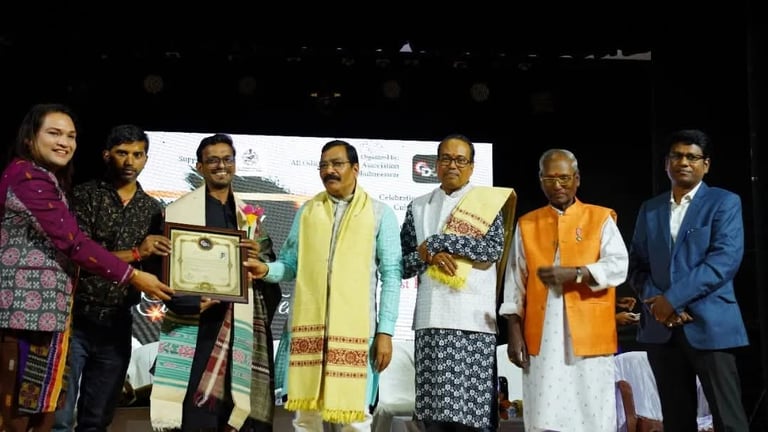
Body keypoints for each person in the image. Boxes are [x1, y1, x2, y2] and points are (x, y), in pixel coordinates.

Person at [0, 103, 174, 432]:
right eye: (54, 133)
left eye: (71, 136)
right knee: (33, 416)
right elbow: (75, 245)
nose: (64, 142)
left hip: (79, 318)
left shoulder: (153, 208)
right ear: (29, 137)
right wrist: (135, 268)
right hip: (40, 315)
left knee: (52, 412)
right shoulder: (40, 181)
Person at [246, 139, 402, 431]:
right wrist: (264, 269)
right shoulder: (307, 212)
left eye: (337, 164)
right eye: (324, 165)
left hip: (358, 336)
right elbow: (290, 265)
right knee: (307, 420)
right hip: (309, 334)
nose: (329, 170)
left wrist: (385, 331)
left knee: (355, 421)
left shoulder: (380, 213)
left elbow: (392, 275)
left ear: (355, 168)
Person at [149, 133, 282, 432]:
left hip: (242, 329)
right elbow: (158, 272)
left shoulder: (249, 217)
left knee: (237, 417)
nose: (221, 165)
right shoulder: (175, 213)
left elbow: (269, 272)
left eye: (227, 159)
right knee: (197, 417)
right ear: (199, 166)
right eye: (212, 160)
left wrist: (259, 261)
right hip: (198, 326)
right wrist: (188, 302)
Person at [628, 129, 749, 431]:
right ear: (666, 163)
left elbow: (723, 261)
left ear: (705, 165)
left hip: (710, 324)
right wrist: (657, 304)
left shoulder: (724, 202)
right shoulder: (650, 209)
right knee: (676, 419)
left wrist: (672, 300)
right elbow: (637, 265)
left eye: (692, 157)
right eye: (677, 156)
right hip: (661, 329)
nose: (684, 162)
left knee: (729, 420)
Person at [499, 148, 629, 432]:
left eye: (564, 178)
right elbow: (515, 280)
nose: (557, 185)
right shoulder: (528, 224)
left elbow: (619, 266)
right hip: (543, 336)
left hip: (589, 332)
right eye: (549, 179)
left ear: (577, 179)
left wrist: (577, 273)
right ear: (540, 180)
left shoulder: (600, 218)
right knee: (545, 413)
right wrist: (513, 330)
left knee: (593, 415)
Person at [52, 124, 170, 432]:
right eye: (122, 153)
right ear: (107, 155)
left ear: (146, 158)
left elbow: (156, 268)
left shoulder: (152, 210)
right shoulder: (83, 196)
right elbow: (79, 255)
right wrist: (137, 252)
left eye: (138, 154)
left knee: (97, 421)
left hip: (117, 323)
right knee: (58, 419)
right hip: (75, 318)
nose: (130, 161)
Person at [399, 134, 514, 431]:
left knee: (472, 416)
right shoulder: (418, 206)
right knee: (434, 415)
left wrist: (440, 242)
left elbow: (491, 251)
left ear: (472, 167)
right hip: (431, 321)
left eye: (461, 160)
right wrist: (427, 255)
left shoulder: (486, 203)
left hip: (473, 323)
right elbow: (403, 264)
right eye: (447, 159)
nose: (453, 165)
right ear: (436, 164)